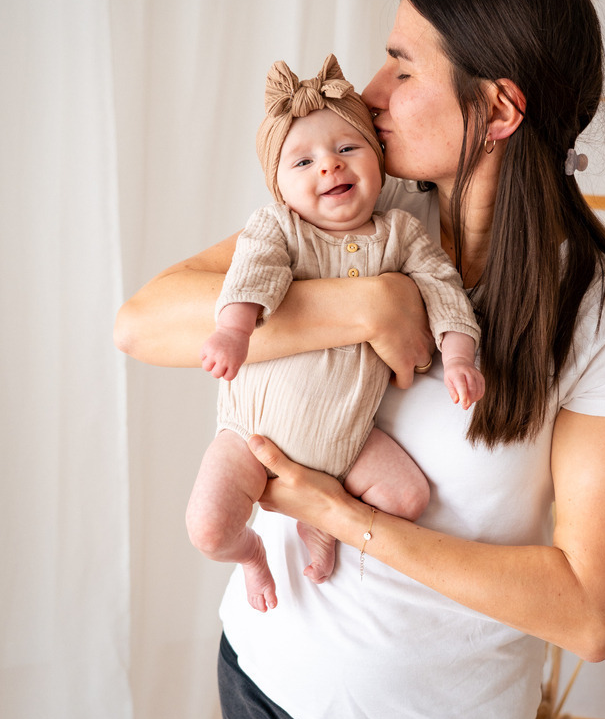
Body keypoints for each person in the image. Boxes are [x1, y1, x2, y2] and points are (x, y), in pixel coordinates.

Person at [114, 0, 605, 719]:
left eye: (402, 64)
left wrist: (342, 519)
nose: (370, 91)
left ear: (496, 109)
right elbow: (143, 324)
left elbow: (588, 612)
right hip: (265, 682)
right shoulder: (357, 221)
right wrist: (362, 302)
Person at [187, 53, 483, 612]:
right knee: (208, 528)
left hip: (347, 441)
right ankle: (252, 554)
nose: (330, 167)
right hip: (250, 436)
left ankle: (320, 520)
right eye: (303, 162)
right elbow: (254, 271)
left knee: (408, 496)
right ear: (279, 187)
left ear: (378, 158)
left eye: (347, 149)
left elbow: (444, 286)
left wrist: (460, 353)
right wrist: (232, 330)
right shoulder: (280, 228)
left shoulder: (401, 232)